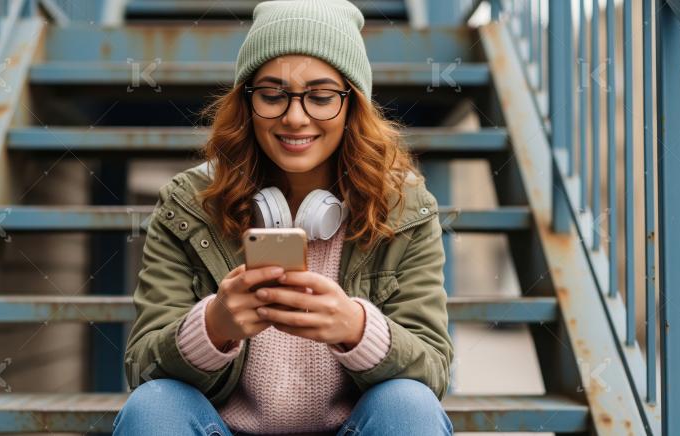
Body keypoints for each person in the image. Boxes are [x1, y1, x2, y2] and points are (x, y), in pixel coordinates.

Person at [114, 1, 454, 434]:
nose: (295, 117)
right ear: (247, 103)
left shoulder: (404, 208)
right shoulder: (189, 205)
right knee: (153, 406)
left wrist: (358, 329)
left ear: (353, 105)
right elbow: (142, 366)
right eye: (272, 95)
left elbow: (432, 370)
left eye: (322, 97)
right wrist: (212, 328)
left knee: (409, 406)